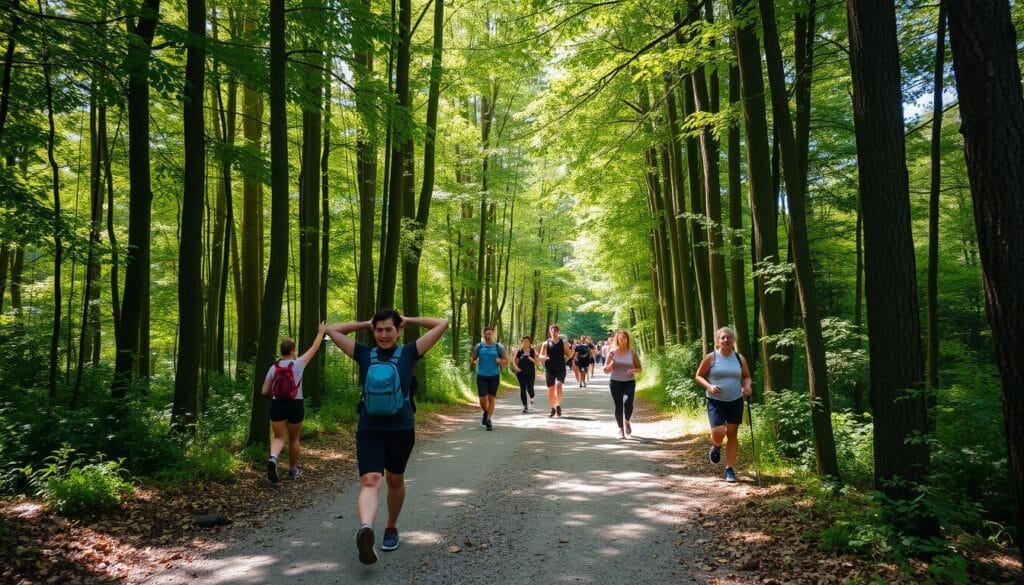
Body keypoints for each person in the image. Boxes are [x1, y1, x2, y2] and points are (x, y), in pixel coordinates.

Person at [326, 309, 449, 564]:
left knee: (394, 480)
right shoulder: (363, 354)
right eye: (379, 329)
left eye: (388, 329)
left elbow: (442, 323)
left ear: (398, 330)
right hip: (369, 428)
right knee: (371, 480)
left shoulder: (409, 352)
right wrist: (365, 323)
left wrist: (409, 319)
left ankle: (390, 527)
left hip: (401, 429)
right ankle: (366, 529)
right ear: (374, 331)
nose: (383, 334)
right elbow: (332, 330)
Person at [262, 322, 328, 483]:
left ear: (281, 351)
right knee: (294, 439)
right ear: (293, 350)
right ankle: (292, 471)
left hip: (277, 405)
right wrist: (321, 331)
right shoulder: (299, 364)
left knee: (278, 437)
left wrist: (277, 392)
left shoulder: (273, 368)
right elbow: (315, 346)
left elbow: (264, 391)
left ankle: (273, 458)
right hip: (295, 405)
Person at [694, 326, 753, 483]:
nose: (726, 340)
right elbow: (698, 376)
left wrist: (747, 386)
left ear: (733, 340)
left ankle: (730, 469)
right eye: (723, 338)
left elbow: (747, 376)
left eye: (729, 337)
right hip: (716, 401)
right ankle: (716, 446)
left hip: (735, 400)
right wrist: (709, 386)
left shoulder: (739, 358)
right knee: (719, 432)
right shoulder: (711, 357)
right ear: (718, 341)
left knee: (732, 434)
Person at [603, 329, 642, 439]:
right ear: (617, 340)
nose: (623, 340)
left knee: (628, 403)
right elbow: (605, 370)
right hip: (615, 382)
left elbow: (640, 368)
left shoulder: (632, 352)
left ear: (627, 339)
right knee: (619, 405)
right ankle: (620, 429)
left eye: (625, 338)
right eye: (621, 338)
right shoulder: (612, 352)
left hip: (629, 381)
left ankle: (627, 421)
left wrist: (633, 370)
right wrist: (611, 364)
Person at [471, 325, 508, 430]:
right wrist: (474, 361)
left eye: (491, 333)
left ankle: (488, 419)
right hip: (481, 376)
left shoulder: (499, 347)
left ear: (493, 334)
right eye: (487, 333)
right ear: (484, 334)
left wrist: (499, 361)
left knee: (491, 398)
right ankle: (486, 412)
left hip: (494, 376)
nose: (489, 335)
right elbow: (473, 358)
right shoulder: (479, 346)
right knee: (483, 400)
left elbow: (506, 361)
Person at [537, 324, 573, 417]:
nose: (554, 332)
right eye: (552, 330)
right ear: (550, 332)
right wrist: (544, 357)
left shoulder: (563, 343)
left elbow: (570, 354)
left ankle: (557, 405)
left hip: (560, 367)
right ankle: (552, 408)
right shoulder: (545, 343)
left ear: (558, 331)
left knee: (559, 385)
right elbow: (540, 356)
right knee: (551, 389)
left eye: (556, 330)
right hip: (549, 368)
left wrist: (566, 359)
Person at [512, 336, 539, 413]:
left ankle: (531, 397)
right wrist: (516, 368)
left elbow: (537, 362)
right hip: (521, 373)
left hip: (530, 373)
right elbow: (514, 361)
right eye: (524, 341)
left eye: (527, 341)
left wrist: (532, 359)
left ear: (530, 342)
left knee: (530, 388)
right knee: (523, 389)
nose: (525, 342)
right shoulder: (519, 351)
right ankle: (525, 406)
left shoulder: (533, 351)